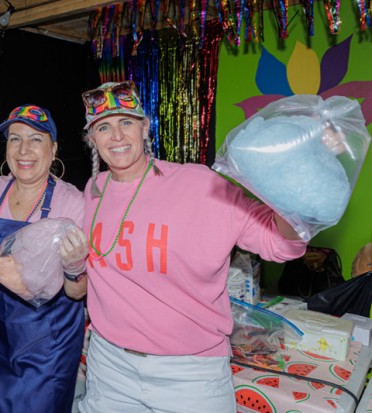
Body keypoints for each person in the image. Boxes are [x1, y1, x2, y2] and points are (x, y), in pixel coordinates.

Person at [77, 81, 308, 413]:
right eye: (103, 127)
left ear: (145, 127)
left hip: (189, 374)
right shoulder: (93, 191)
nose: (116, 135)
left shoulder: (198, 184)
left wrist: (298, 175)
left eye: (126, 121)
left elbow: (280, 242)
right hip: (109, 365)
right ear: (91, 139)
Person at [0, 104, 88, 413]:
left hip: (48, 342)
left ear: (53, 149)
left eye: (36, 139)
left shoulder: (72, 201)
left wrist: (73, 266)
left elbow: (78, 291)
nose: (23, 149)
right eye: (15, 139)